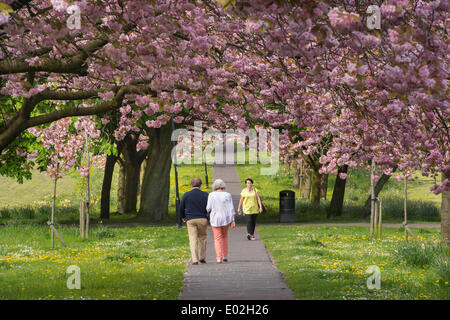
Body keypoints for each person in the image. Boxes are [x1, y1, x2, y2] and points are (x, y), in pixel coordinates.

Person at [180, 177, 209, 265]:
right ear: (200, 185)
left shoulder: (186, 194)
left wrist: (183, 217)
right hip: (202, 218)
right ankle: (202, 257)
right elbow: (209, 207)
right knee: (202, 238)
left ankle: (194, 259)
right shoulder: (205, 194)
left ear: (191, 184)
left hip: (190, 219)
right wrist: (208, 218)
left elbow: (181, 207)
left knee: (192, 239)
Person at [206, 179, 236, 264]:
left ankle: (219, 257)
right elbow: (231, 208)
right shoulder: (227, 195)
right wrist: (233, 220)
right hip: (225, 218)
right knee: (225, 237)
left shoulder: (211, 195)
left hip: (215, 218)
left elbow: (208, 208)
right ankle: (225, 256)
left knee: (217, 238)